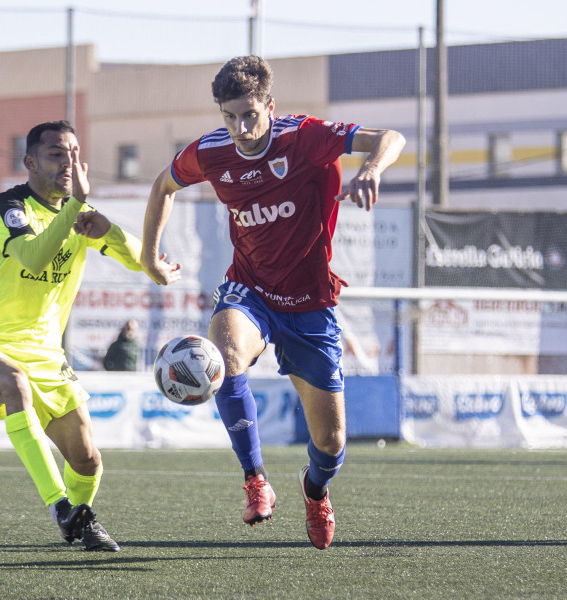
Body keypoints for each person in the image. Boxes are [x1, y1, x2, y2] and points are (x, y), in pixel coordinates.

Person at [141, 56, 405, 549]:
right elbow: (163, 186)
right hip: (250, 290)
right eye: (230, 116)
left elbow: (390, 137)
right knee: (222, 355)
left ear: (269, 106)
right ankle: (255, 479)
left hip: (310, 304)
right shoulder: (212, 152)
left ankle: (315, 490)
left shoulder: (304, 137)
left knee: (331, 444)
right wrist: (148, 256)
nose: (240, 128)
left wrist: (371, 168)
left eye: (249, 115)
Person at [0, 120, 153, 552]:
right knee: (13, 384)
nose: (69, 162)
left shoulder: (78, 215)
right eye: (57, 153)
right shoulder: (10, 205)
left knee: (88, 461)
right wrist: (75, 208)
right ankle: (61, 506)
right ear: (30, 162)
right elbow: (34, 257)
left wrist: (116, 236)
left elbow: (139, 262)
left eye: (75, 154)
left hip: (47, 355)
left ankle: (77, 523)